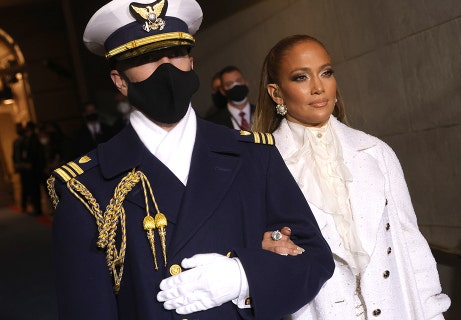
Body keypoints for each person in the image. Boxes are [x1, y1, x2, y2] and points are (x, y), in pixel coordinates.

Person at [47, 1, 334, 319]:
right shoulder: (86, 188)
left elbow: (315, 257)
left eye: (175, 53)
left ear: (191, 62)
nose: (166, 68)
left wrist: (243, 277)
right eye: (147, 58)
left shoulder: (254, 156)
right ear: (119, 80)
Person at [253, 34, 451, 319]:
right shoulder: (263, 164)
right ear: (276, 93)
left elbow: (410, 241)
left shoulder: (375, 151)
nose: (318, 87)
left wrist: (434, 313)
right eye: (301, 77)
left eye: (326, 73)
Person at [206, 65, 255, 130]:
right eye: (229, 84)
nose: (235, 86)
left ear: (246, 82)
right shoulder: (213, 123)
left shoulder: (263, 113)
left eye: (239, 81)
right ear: (222, 91)